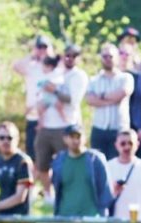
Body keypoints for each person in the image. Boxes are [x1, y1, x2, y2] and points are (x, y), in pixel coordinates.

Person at [35, 44, 87, 202]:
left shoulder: (79, 76)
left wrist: (55, 91)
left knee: (67, 163)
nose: (69, 58)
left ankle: (66, 193)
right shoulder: (56, 72)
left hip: (66, 126)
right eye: (67, 55)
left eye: (74, 55)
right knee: (42, 162)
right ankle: (48, 194)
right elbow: (41, 90)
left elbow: (72, 100)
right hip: (46, 125)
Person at [51, 124, 112, 218]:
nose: (75, 141)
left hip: (91, 217)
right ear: (65, 139)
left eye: (78, 137)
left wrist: (102, 213)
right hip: (64, 216)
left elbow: (105, 189)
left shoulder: (95, 159)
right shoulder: (59, 160)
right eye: (72, 137)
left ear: (85, 138)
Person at [85, 43, 134, 160]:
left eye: (110, 56)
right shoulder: (94, 80)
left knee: (117, 164)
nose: (108, 59)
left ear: (117, 57)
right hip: (98, 129)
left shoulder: (125, 78)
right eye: (105, 56)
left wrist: (100, 96)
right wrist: (111, 100)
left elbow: (122, 93)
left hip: (119, 130)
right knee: (96, 164)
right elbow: (90, 100)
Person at [12, 35, 56, 161]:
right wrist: (32, 55)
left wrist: (50, 56)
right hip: (33, 116)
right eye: (39, 47)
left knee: (51, 156)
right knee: (32, 153)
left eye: (44, 47)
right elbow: (16, 66)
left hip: (52, 119)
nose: (42, 50)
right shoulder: (32, 67)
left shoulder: (56, 68)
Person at [105, 129, 141, 221]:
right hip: (116, 222)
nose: (127, 147)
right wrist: (113, 192)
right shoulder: (108, 167)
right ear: (116, 145)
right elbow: (101, 198)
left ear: (137, 145)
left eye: (130, 143)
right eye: (123, 144)